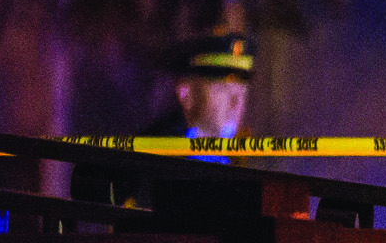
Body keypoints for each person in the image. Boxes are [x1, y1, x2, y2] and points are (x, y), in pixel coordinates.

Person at [73, 32, 253, 207]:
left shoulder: (250, 158)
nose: (235, 102)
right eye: (221, 90)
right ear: (186, 94)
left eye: (241, 91)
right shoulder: (148, 159)